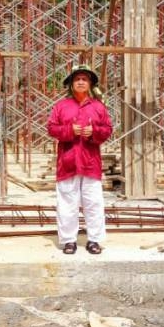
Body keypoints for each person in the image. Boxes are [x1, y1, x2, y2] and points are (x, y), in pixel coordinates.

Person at [47, 64, 113, 255]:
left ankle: (94, 240)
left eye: (85, 79)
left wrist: (95, 131)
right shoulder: (61, 106)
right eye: (77, 79)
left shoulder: (98, 107)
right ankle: (69, 240)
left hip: (90, 162)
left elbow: (107, 129)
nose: (81, 82)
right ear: (71, 84)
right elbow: (51, 128)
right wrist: (69, 130)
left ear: (90, 83)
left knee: (93, 202)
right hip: (68, 162)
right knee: (67, 202)